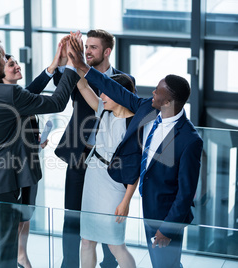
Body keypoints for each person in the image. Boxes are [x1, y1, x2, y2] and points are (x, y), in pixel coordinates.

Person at [67, 33, 203, 268]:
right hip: (148, 206)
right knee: (157, 262)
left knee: (166, 265)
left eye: (158, 91)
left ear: (169, 101)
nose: (152, 93)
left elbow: (186, 192)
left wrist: (166, 228)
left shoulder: (190, 140)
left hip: (165, 215)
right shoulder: (147, 110)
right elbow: (115, 90)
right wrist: (81, 66)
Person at [0, 35, 80, 268]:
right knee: (3, 245)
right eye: (2, 56)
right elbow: (58, 103)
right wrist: (70, 67)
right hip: (2, 184)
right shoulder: (8, 94)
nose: (5, 59)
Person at [53, 29, 135, 268]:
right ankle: (69, 264)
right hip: (81, 157)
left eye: (93, 47)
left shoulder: (124, 82)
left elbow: (128, 119)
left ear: (107, 51)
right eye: (85, 47)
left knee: (111, 230)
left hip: (112, 169)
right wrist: (68, 60)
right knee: (74, 220)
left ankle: (109, 264)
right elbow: (65, 85)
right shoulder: (83, 80)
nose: (87, 51)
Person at [77, 73, 137, 268]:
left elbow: (134, 170)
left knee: (115, 243)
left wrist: (126, 202)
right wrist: (73, 62)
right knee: (86, 240)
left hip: (115, 183)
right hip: (94, 175)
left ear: (120, 95)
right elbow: (83, 87)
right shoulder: (104, 109)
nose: (101, 96)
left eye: (106, 93)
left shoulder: (133, 125)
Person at [1, 54, 56, 268]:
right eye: (11, 64)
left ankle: (21, 254)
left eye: (16, 62)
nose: (17, 65)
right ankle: (17, 256)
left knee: (26, 214)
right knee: (17, 215)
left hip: (30, 166)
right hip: (14, 170)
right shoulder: (4, 98)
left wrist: (37, 141)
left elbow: (31, 93)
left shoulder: (19, 95)